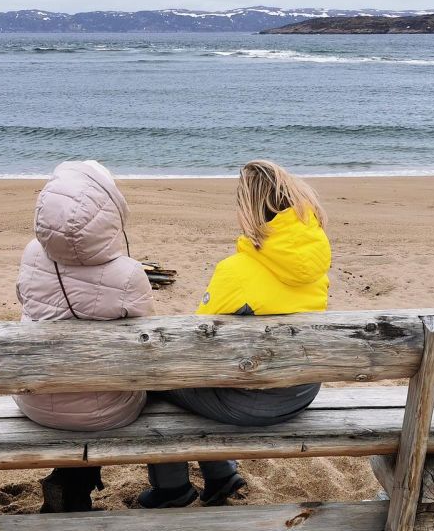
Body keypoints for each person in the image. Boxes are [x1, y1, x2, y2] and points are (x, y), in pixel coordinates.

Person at [139, 160, 331, 508]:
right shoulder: (315, 268)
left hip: (253, 403)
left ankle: (172, 488)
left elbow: (194, 343)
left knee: (158, 382)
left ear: (249, 211)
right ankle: (221, 477)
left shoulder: (236, 272)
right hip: (302, 391)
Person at [14, 160, 154, 512]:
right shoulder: (128, 274)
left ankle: (70, 484)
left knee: (79, 392)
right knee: (138, 392)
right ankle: (79, 485)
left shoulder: (31, 255)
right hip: (108, 410)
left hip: (34, 400)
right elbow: (146, 342)